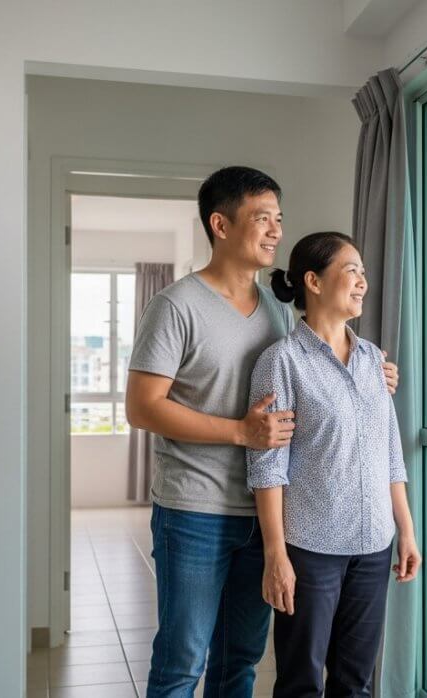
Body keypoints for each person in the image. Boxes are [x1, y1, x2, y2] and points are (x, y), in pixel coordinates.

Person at [126, 169, 399, 698]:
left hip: (266, 516)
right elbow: (142, 408)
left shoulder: (278, 309)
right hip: (195, 510)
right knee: (183, 660)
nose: (276, 230)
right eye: (262, 218)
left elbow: (328, 361)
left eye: (279, 218)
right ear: (220, 224)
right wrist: (240, 433)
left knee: (241, 661)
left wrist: (379, 373)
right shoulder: (175, 305)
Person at [246, 232, 422, 698]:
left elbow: (389, 453)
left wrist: (404, 529)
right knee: (302, 683)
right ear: (314, 281)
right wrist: (275, 555)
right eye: (352, 271)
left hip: (373, 544)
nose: (363, 281)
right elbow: (267, 467)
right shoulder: (281, 362)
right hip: (310, 549)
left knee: (356, 683)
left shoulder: (372, 360)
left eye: (364, 272)